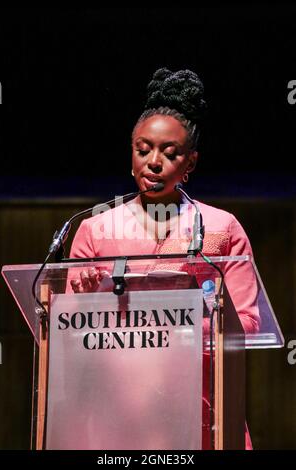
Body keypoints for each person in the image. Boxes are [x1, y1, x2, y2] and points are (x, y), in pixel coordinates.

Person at [69, 68, 260, 449]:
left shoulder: (222, 228)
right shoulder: (95, 230)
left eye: (170, 154)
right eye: (143, 150)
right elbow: (69, 334)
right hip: (117, 416)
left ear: (190, 163)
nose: (153, 162)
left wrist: (180, 330)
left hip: (202, 413)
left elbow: (250, 326)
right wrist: (81, 299)